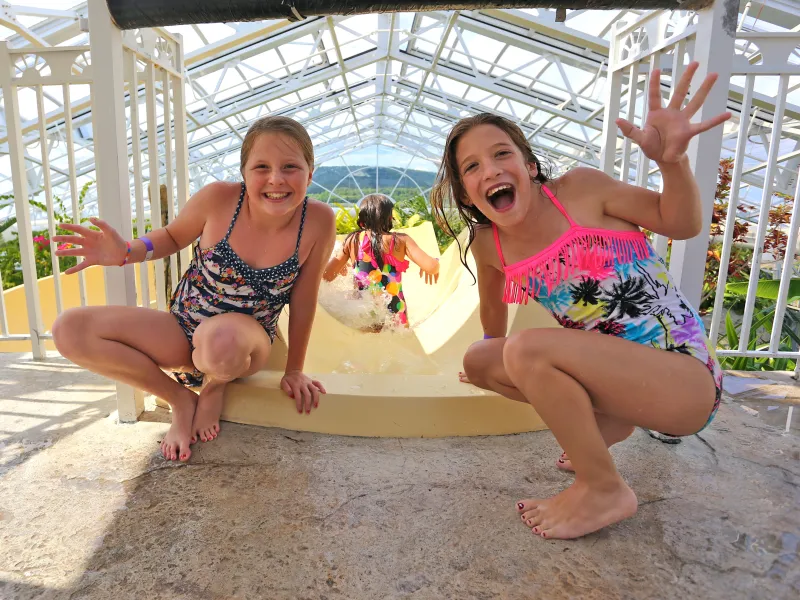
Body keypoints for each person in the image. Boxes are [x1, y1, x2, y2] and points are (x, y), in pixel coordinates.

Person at [430, 62, 728, 540]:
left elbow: (681, 223)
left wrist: (672, 163)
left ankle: (602, 487)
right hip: (624, 378)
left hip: (685, 382)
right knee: (485, 358)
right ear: (467, 192)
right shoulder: (490, 244)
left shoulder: (582, 192)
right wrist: (494, 357)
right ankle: (612, 420)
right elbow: (493, 313)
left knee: (527, 349)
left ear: (528, 166)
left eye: (501, 153)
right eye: (472, 167)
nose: (490, 170)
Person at [52, 116, 335, 463]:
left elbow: (304, 299)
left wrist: (294, 370)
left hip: (243, 343)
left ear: (311, 173)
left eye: (290, 166)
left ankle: (215, 385)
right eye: (262, 166)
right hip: (184, 327)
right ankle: (180, 399)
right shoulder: (219, 199)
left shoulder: (319, 221)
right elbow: (171, 237)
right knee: (69, 330)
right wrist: (126, 252)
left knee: (222, 341)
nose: (276, 178)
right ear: (244, 172)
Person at [323, 194, 440, 330]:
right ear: (390, 218)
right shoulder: (401, 240)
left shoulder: (352, 240)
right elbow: (432, 267)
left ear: (362, 219)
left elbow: (326, 276)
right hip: (395, 314)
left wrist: (340, 265)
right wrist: (433, 263)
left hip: (363, 313)